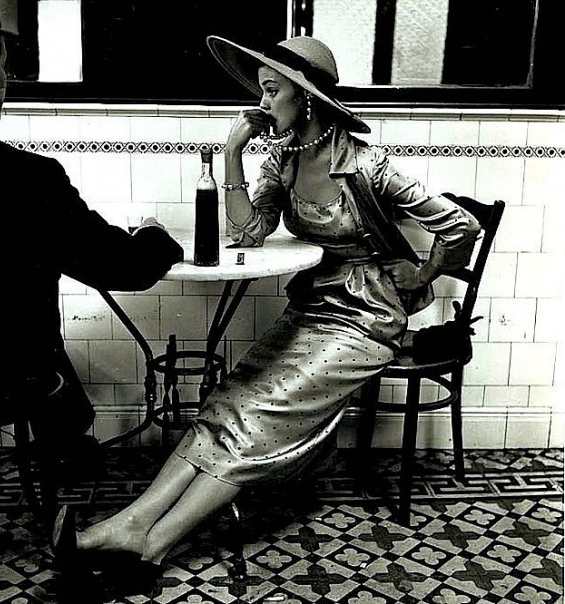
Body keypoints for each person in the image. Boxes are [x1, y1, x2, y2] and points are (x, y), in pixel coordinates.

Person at [53, 33, 481, 582]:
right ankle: (128, 525)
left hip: (366, 318)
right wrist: (233, 154)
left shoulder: (367, 164)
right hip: (313, 308)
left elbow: (461, 225)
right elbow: (247, 231)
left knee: (255, 414)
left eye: (272, 90)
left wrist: (421, 275)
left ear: (307, 98)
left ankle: (152, 544)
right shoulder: (283, 157)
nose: (262, 103)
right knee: (228, 401)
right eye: (261, 90)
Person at [0, 1, 184, 473]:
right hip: (2, 379)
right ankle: (68, 440)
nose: (5, 80)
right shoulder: (26, 179)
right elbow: (125, 267)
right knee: (27, 341)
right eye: (3, 67)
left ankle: (69, 437)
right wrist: (155, 235)